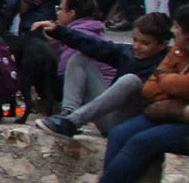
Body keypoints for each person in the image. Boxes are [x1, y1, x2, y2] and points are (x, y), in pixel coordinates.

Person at [39, 11, 175, 139]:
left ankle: (73, 121)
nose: (136, 46)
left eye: (145, 43)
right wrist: (59, 31)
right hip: (107, 115)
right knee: (80, 59)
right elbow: (95, 45)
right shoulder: (128, 53)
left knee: (130, 80)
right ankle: (67, 117)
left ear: (163, 44)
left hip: (128, 123)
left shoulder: (167, 65)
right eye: (135, 40)